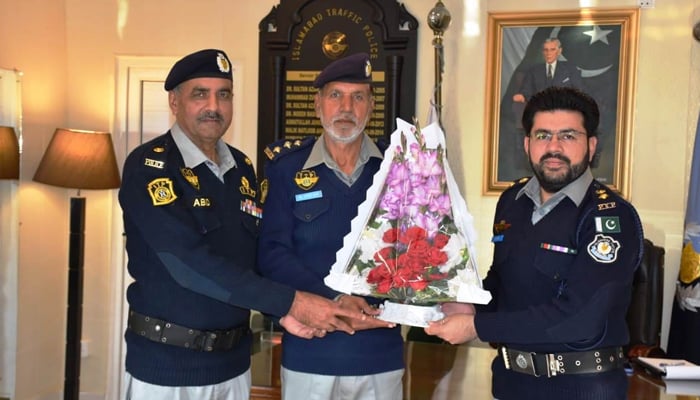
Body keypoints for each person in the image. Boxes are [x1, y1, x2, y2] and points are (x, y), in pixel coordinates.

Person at [119, 48, 369, 400]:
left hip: (234, 365)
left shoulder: (241, 168)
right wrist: (292, 303)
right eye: (200, 94)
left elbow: (249, 259)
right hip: (167, 368)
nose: (214, 106)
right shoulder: (150, 166)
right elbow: (187, 263)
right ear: (175, 102)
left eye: (224, 95)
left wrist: (280, 314)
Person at [426, 86, 644, 399]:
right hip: (511, 382)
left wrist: (477, 327)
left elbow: (581, 318)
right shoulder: (512, 202)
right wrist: (469, 305)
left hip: (581, 388)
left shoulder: (608, 217)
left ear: (591, 145)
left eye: (568, 136)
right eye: (543, 135)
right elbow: (503, 282)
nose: (554, 147)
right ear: (527, 144)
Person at [257, 52, 405, 400]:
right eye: (335, 95)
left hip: (380, 355)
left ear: (371, 106)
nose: (346, 108)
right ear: (317, 104)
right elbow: (272, 254)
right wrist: (334, 299)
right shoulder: (286, 169)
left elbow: (417, 253)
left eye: (358, 97)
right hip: (310, 352)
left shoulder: (398, 169)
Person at [512, 38, 584, 104]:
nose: (548, 53)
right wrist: (522, 96)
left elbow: (579, 90)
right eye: (545, 50)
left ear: (559, 51)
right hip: (541, 108)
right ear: (543, 52)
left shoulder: (570, 68)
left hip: (564, 108)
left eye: (552, 49)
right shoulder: (534, 70)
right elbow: (526, 90)